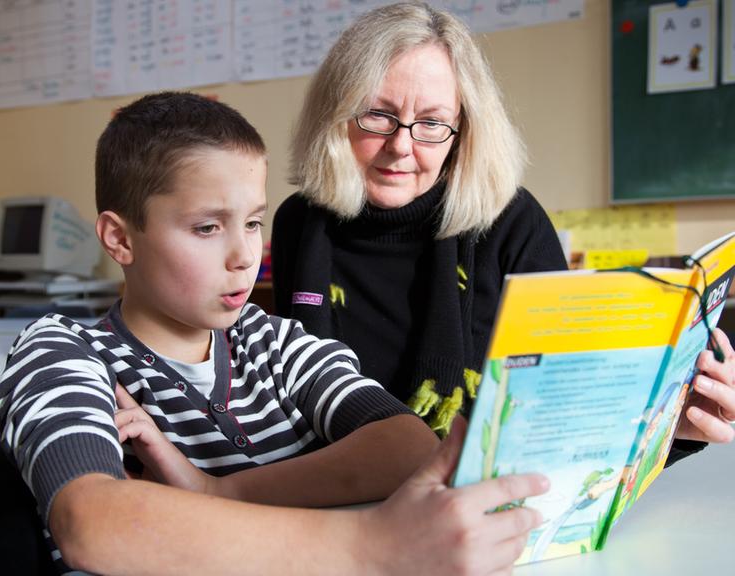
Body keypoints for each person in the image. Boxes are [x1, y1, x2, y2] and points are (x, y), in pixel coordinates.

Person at [0, 91, 550, 575]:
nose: (244, 258)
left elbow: (405, 447)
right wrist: (370, 548)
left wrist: (216, 488)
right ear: (119, 239)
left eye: (254, 223)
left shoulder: (273, 342)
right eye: (207, 227)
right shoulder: (64, 352)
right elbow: (92, 523)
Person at [271, 1, 735, 455]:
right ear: (336, 115)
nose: (401, 145)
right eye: (377, 114)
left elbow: (566, 412)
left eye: (432, 122)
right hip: (336, 497)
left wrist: (675, 425)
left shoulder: (512, 223)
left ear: (463, 131)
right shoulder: (299, 223)